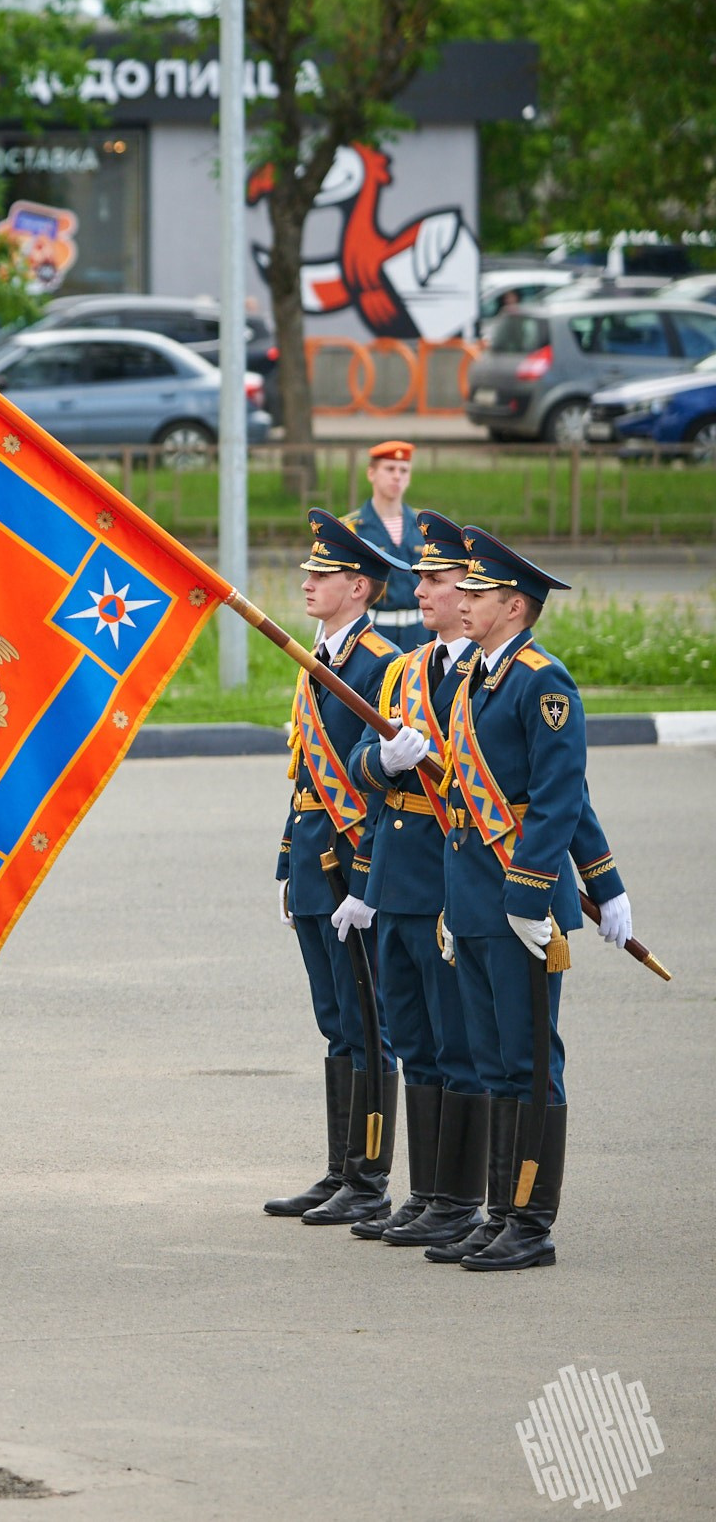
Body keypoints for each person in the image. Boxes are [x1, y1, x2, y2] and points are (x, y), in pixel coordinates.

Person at [420, 527, 635, 1271]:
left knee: (530, 1060)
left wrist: (584, 886)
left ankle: (532, 1222)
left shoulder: (543, 681)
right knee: (492, 1062)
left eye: (477, 594)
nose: (464, 602)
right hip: (475, 902)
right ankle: (502, 1209)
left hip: (522, 906)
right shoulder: (477, 677)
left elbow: (559, 796)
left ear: (514, 604)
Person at [336, 509, 478, 1245]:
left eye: (436, 579)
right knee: (414, 1040)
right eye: (418, 578)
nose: (420, 589)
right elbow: (362, 763)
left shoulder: (481, 679)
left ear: (472, 589)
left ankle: (459, 1197)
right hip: (394, 882)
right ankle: (426, 1192)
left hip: (447, 886)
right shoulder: (403, 671)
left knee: (456, 1044)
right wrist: (383, 761)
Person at [263, 508, 407, 1228]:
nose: (308, 583)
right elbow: (304, 776)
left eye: (322, 575)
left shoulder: (379, 663)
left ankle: (371, 1178)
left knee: (368, 1021)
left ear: (359, 586)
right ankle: (339, 1169)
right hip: (317, 865)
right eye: (308, 572)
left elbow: (386, 785)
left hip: (355, 865)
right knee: (335, 1021)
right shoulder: (319, 659)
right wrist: (289, 863)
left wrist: (373, 880)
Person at [344, 440, 430, 651]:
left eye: (403, 470)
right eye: (390, 469)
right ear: (371, 473)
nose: (397, 476)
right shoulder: (351, 529)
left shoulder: (425, 526)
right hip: (374, 630)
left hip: (420, 630)